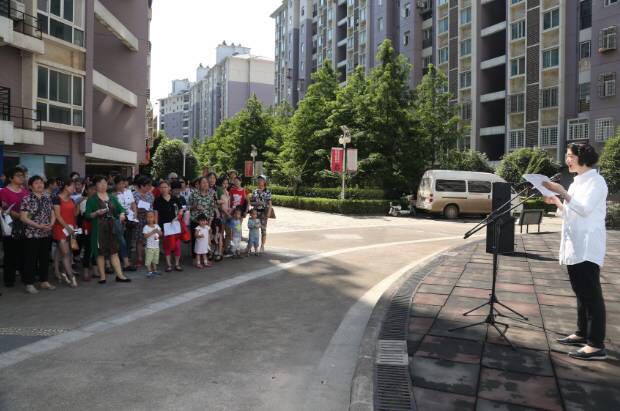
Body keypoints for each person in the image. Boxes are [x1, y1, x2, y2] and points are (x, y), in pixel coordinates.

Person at [543, 143, 608, 361]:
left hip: (588, 245)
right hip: (575, 244)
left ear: (583, 157)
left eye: (570, 156)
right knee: (581, 292)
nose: (567, 160)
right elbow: (571, 213)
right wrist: (557, 202)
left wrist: (561, 191)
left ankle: (596, 344)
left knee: (591, 295)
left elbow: (585, 209)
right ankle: (582, 333)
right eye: (566, 156)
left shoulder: (597, 182)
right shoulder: (576, 183)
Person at [85, 175, 131, 284]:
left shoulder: (112, 197)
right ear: (95, 185)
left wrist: (122, 214)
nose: (103, 185)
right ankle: (102, 277)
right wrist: (96, 213)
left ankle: (120, 275)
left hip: (112, 228)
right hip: (98, 229)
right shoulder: (92, 199)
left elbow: (121, 209)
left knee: (114, 252)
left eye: (105, 183)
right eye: (100, 183)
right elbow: (87, 215)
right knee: (100, 253)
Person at [19, 175, 56, 294]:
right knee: (31, 259)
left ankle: (44, 281)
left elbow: (53, 213)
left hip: (46, 233)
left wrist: (51, 224)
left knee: (45, 259)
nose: (40, 185)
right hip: (32, 234)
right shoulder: (26, 199)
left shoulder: (47, 198)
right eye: (36, 183)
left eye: (41, 182)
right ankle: (29, 284)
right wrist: (39, 226)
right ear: (30, 186)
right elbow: (23, 217)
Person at [0, 167, 29, 288]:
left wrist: (27, 217)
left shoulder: (25, 191)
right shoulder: (4, 191)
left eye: (22, 175)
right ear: (11, 178)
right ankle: (9, 279)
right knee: (10, 252)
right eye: (18, 175)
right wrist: (21, 216)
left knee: (24, 252)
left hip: (25, 224)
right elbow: (5, 208)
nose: (21, 177)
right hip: (10, 224)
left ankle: (25, 276)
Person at [52, 178, 79, 288]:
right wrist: (67, 227)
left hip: (71, 229)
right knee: (65, 253)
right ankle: (71, 277)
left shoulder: (72, 199)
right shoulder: (56, 198)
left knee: (65, 252)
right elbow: (58, 216)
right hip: (60, 229)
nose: (74, 188)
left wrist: (74, 227)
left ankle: (61, 273)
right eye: (72, 186)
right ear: (66, 187)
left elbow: (74, 214)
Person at [153, 180, 184, 272]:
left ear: (169, 188)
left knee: (177, 245)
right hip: (164, 226)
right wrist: (157, 227)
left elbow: (181, 210)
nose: (163, 189)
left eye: (165, 187)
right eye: (161, 187)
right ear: (159, 189)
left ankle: (177, 264)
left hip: (175, 225)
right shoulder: (157, 200)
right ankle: (169, 264)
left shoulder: (175, 198)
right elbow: (156, 215)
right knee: (167, 246)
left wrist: (178, 217)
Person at [189, 176, 218, 259]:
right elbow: (187, 207)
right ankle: (195, 259)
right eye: (203, 182)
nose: (205, 184)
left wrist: (210, 223)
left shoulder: (211, 195)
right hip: (195, 221)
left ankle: (204, 258)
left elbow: (212, 210)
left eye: (206, 182)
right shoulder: (194, 194)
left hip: (206, 222)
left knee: (205, 240)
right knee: (196, 240)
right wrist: (195, 207)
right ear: (199, 184)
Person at [114, 175, 138, 271]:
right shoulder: (113, 194)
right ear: (116, 184)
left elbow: (133, 203)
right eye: (119, 184)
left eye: (123, 183)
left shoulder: (128, 192)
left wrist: (135, 213)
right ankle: (122, 261)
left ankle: (127, 259)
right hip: (119, 219)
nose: (122, 185)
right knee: (120, 240)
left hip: (130, 218)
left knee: (128, 239)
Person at [133, 176, 155, 267]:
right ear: (142, 185)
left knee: (150, 239)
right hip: (139, 219)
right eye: (148, 185)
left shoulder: (150, 195)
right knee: (139, 240)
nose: (150, 187)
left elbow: (152, 207)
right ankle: (139, 258)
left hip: (149, 219)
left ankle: (150, 258)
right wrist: (139, 209)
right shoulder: (134, 194)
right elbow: (132, 208)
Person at [250, 175, 273, 255]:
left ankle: (262, 246)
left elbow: (270, 204)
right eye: (259, 180)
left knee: (263, 230)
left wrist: (269, 213)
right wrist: (257, 203)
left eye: (261, 180)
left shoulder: (267, 191)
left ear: (265, 182)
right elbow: (251, 202)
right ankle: (253, 246)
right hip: (255, 213)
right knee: (253, 229)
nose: (260, 181)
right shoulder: (255, 191)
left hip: (264, 213)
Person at [79, 182, 96, 281]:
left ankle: (95, 269)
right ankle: (85, 271)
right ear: (86, 190)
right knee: (88, 250)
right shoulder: (84, 201)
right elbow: (86, 215)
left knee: (96, 249)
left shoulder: (98, 200)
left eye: (95, 189)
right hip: (87, 228)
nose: (93, 191)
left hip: (97, 228)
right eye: (91, 189)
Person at [142, 211, 162, 278]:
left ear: (154, 218)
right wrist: (152, 232)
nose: (150, 218)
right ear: (146, 218)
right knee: (149, 260)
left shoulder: (156, 226)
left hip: (156, 247)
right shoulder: (146, 227)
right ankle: (149, 271)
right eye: (148, 217)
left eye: (151, 217)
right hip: (149, 247)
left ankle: (155, 270)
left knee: (155, 260)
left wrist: (158, 231)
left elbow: (161, 234)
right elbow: (145, 236)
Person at [217, 176, 233, 257]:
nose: (225, 185)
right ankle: (222, 249)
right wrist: (228, 214)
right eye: (224, 183)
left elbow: (228, 205)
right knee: (221, 233)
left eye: (227, 183)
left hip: (227, 215)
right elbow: (221, 207)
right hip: (222, 215)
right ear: (221, 184)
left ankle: (226, 249)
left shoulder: (227, 192)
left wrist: (230, 211)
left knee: (229, 233)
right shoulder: (219, 192)